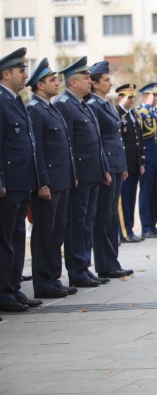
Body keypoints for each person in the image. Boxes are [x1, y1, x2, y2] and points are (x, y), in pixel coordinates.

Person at [55, 57, 111, 288]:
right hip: (79, 175)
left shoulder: (81, 103)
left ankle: (84, 267)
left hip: (93, 173)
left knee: (87, 222)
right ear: (74, 82)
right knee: (76, 223)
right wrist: (73, 173)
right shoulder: (64, 104)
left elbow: (96, 142)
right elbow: (66, 144)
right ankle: (76, 270)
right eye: (86, 78)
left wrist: (103, 169)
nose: (91, 81)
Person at [26, 58, 78, 298]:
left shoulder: (50, 107)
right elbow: (36, 149)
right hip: (49, 183)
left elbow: (65, 146)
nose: (57, 83)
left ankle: (53, 278)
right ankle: (43, 282)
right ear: (39, 85)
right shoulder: (35, 109)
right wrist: (42, 182)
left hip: (62, 181)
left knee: (57, 233)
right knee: (44, 234)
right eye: (52, 80)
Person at [0, 47, 43, 313]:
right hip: (9, 184)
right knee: (5, 239)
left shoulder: (15, 99)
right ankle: (4, 293)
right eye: (20, 70)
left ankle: (13, 288)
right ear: (5, 74)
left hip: (22, 182)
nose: (25, 74)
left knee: (16, 238)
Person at [87, 61, 133, 279]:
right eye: (105, 80)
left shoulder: (106, 104)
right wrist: (105, 167)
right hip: (106, 167)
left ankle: (112, 261)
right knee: (104, 216)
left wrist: (122, 166)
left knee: (112, 215)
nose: (110, 83)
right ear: (94, 84)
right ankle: (105, 265)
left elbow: (116, 139)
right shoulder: (93, 106)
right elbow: (98, 141)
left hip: (116, 166)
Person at [137, 82, 157, 238]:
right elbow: (139, 122)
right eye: (152, 95)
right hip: (147, 158)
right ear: (144, 96)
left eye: (156, 95)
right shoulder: (140, 111)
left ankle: (153, 224)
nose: (156, 98)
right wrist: (148, 105)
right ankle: (146, 226)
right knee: (146, 192)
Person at [115, 84, 145, 243]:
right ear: (120, 97)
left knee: (131, 199)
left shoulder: (134, 114)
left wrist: (141, 161)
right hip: (124, 165)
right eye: (129, 96)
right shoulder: (116, 113)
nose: (132, 99)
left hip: (134, 164)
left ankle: (130, 229)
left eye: (133, 96)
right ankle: (124, 233)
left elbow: (139, 140)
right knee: (123, 200)